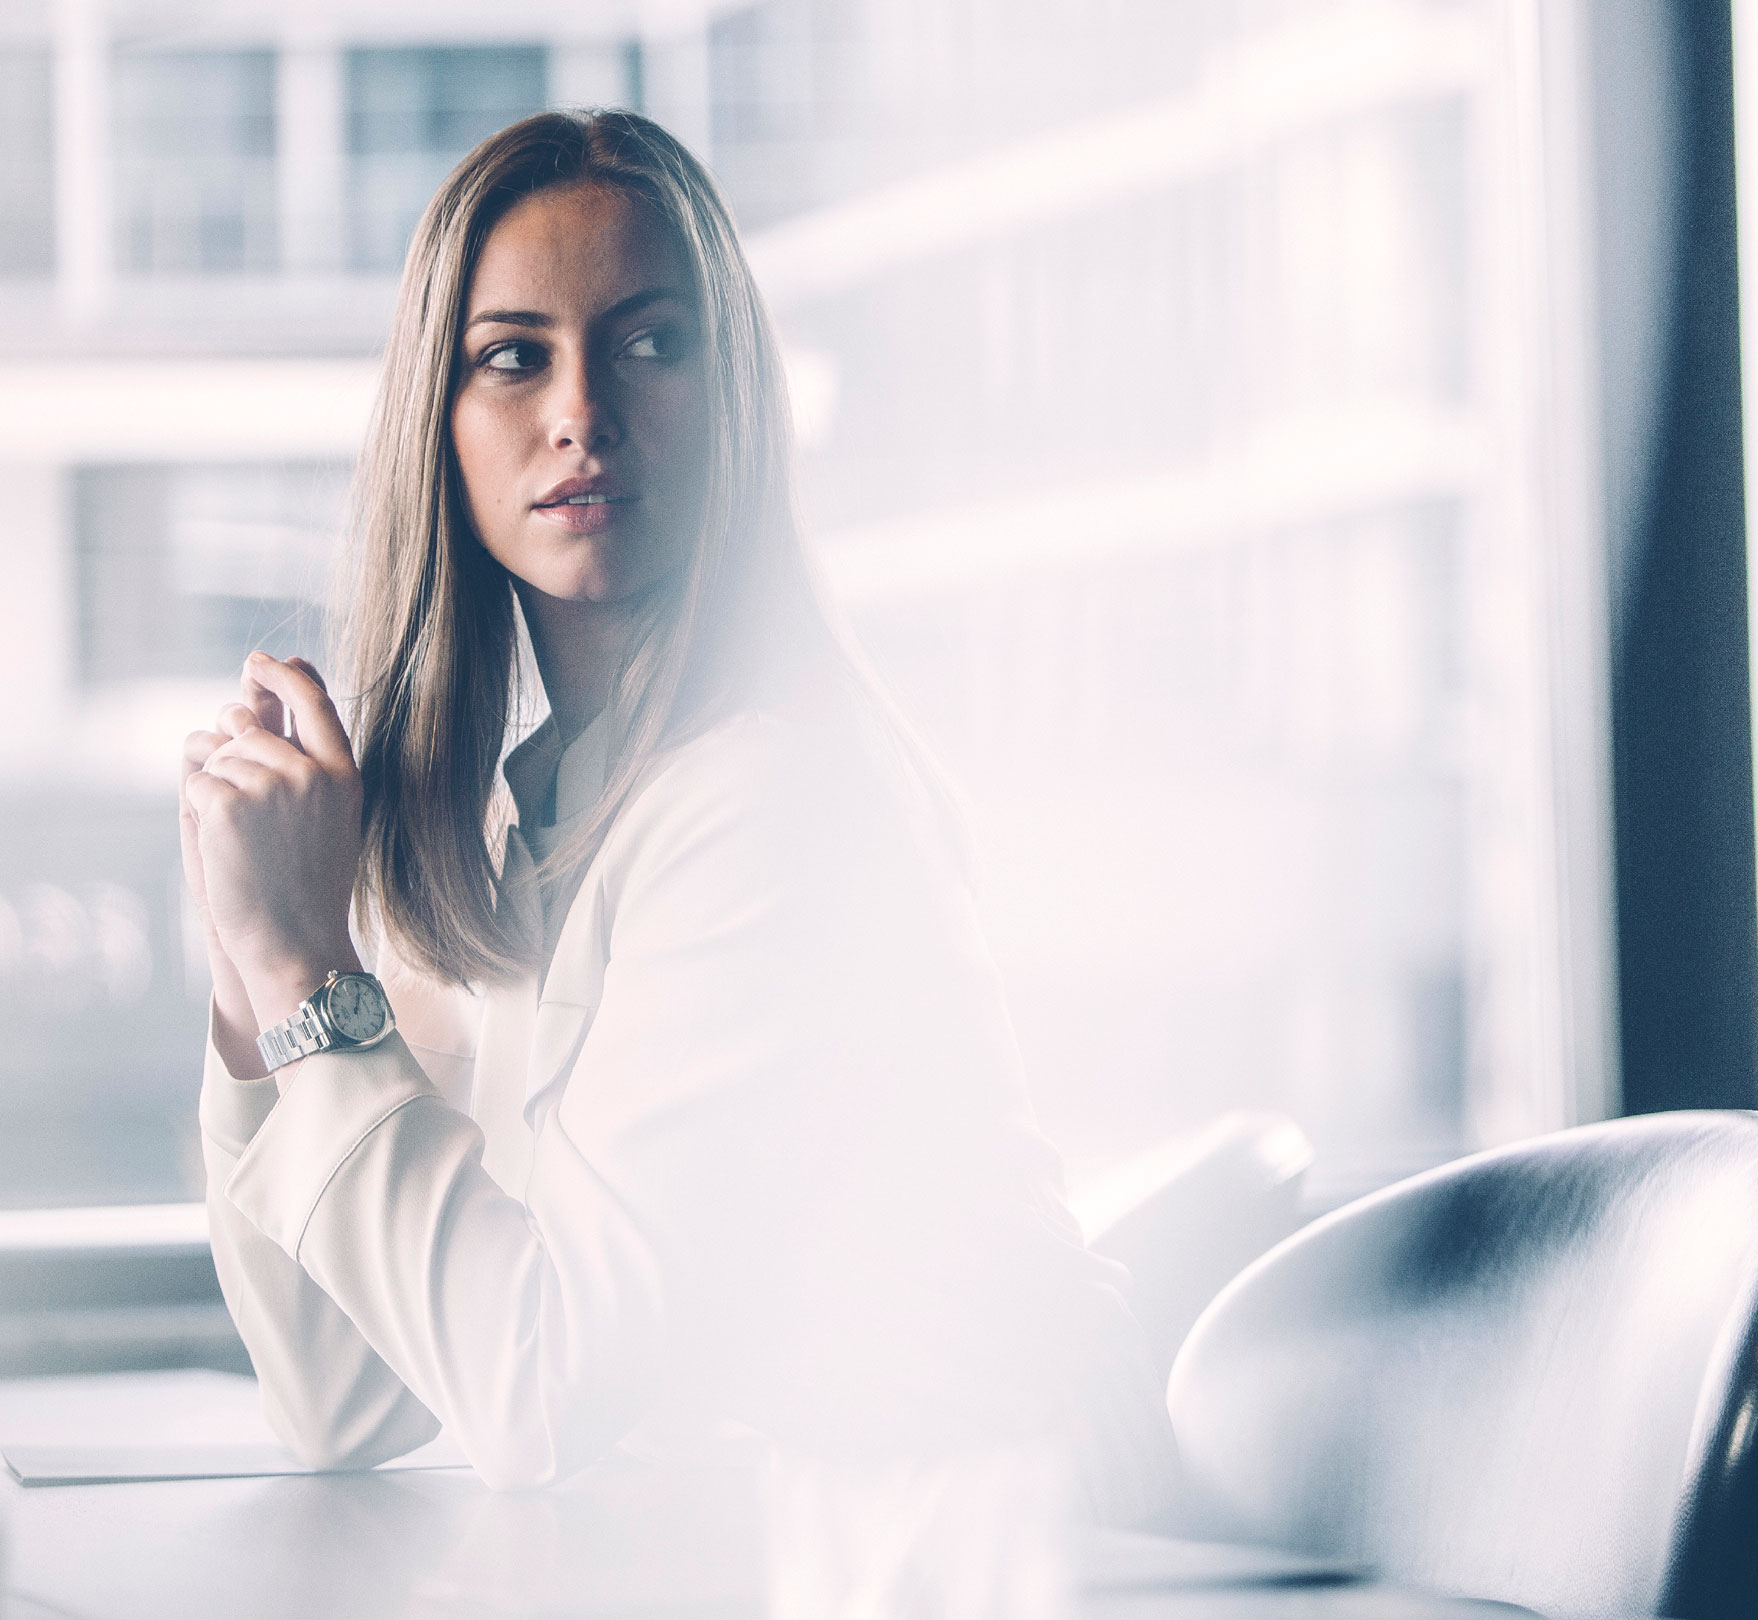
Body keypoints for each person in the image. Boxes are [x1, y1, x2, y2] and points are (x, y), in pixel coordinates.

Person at [176, 109, 1172, 1526]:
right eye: (513, 356)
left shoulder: (764, 799)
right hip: (801, 1551)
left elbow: (536, 1392)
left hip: (1010, 1558)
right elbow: (340, 1397)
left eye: (650, 344)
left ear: (734, 400)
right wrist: (250, 964)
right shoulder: (560, 815)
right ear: (438, 426)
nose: (582, 408)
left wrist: (308, 976)